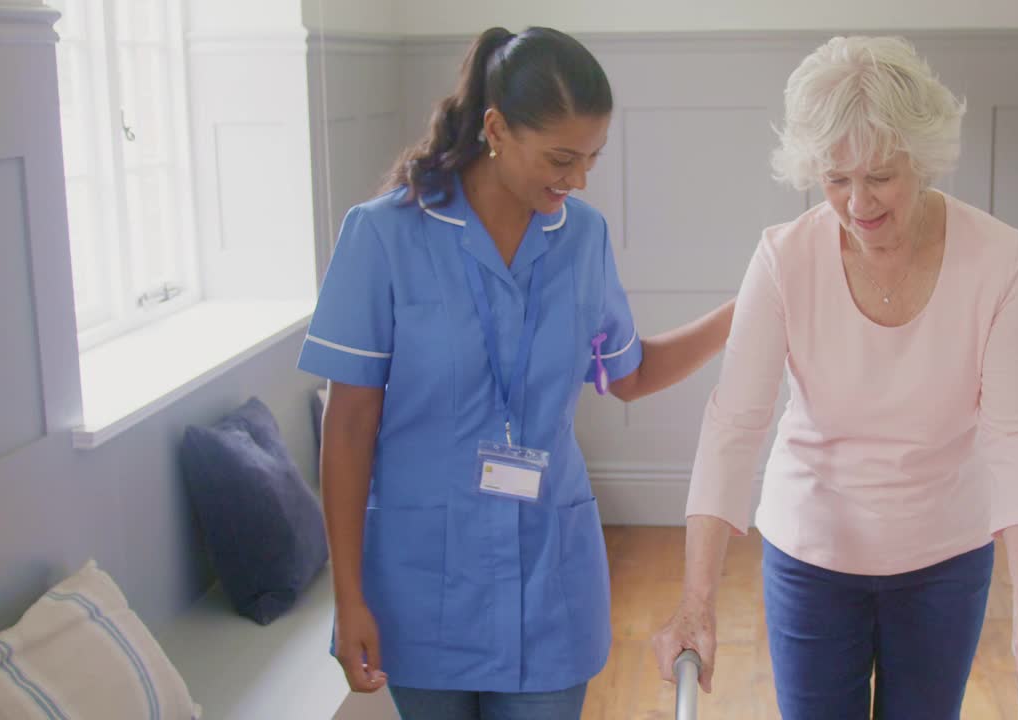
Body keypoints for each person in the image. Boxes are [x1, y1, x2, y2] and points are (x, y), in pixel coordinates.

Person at [298, 26, 734, 720]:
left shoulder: (582, 237)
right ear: (496, 129)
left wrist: (743, 314)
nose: (579, 178)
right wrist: (348, 597)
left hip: (549, 585)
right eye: (560, 157)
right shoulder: (382, 237)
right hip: (419, 586)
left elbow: (628, 373)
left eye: (592, 157)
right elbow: (347, 427)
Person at [651, 35, 1018, 719]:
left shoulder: (998, 261)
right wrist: (695, 603)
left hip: (945, 556)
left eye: (879, 175)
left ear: (923, 156)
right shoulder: (783, 258)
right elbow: (735, 425)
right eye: (834, 177)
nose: (855, 203)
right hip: (812, 555)